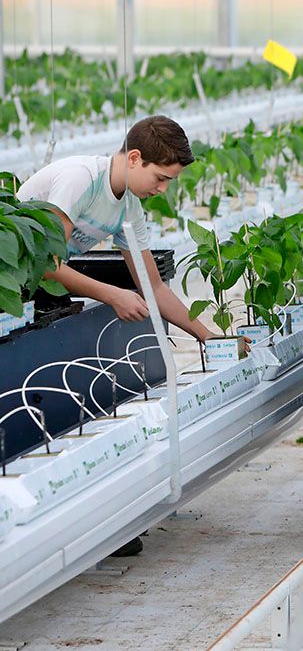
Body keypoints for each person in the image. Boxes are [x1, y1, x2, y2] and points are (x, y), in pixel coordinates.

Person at [16, 116, 223, 556]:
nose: (163, 189)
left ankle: (101, 517)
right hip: (11, 281)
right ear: (134, 158)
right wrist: (112, 294)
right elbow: (49, 263)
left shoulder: (128, 205)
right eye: (161, 177)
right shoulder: (79, 180)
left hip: (41, 286)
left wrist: (208, 336)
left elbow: (154, 286)